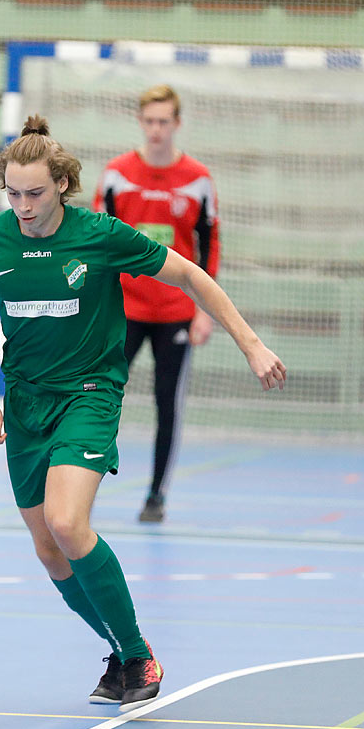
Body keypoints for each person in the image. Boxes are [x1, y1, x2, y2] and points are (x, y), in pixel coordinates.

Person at [0, 115, 284, 711]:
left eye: (35, 192)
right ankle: (119, 651)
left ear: (61, 184)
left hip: (89, 392)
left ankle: (138, 655)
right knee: (47, 548)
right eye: (12, 192)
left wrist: (251, 343)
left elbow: (191, 275)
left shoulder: (102, 235)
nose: (23, 205)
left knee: (67, 521)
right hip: (27, 402)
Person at [94, 84, 219, 523]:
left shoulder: (198, 179)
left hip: (176, 313)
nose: (156, 130)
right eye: (149, 121)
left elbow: (210, 247)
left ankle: (156, 496)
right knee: (99, 397)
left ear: (177, 124)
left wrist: (204, 311)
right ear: (140, 122)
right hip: (123, 311)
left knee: (168, 405)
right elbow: (96, 243)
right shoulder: (116, 174)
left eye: (164, 121)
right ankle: (83, 485)